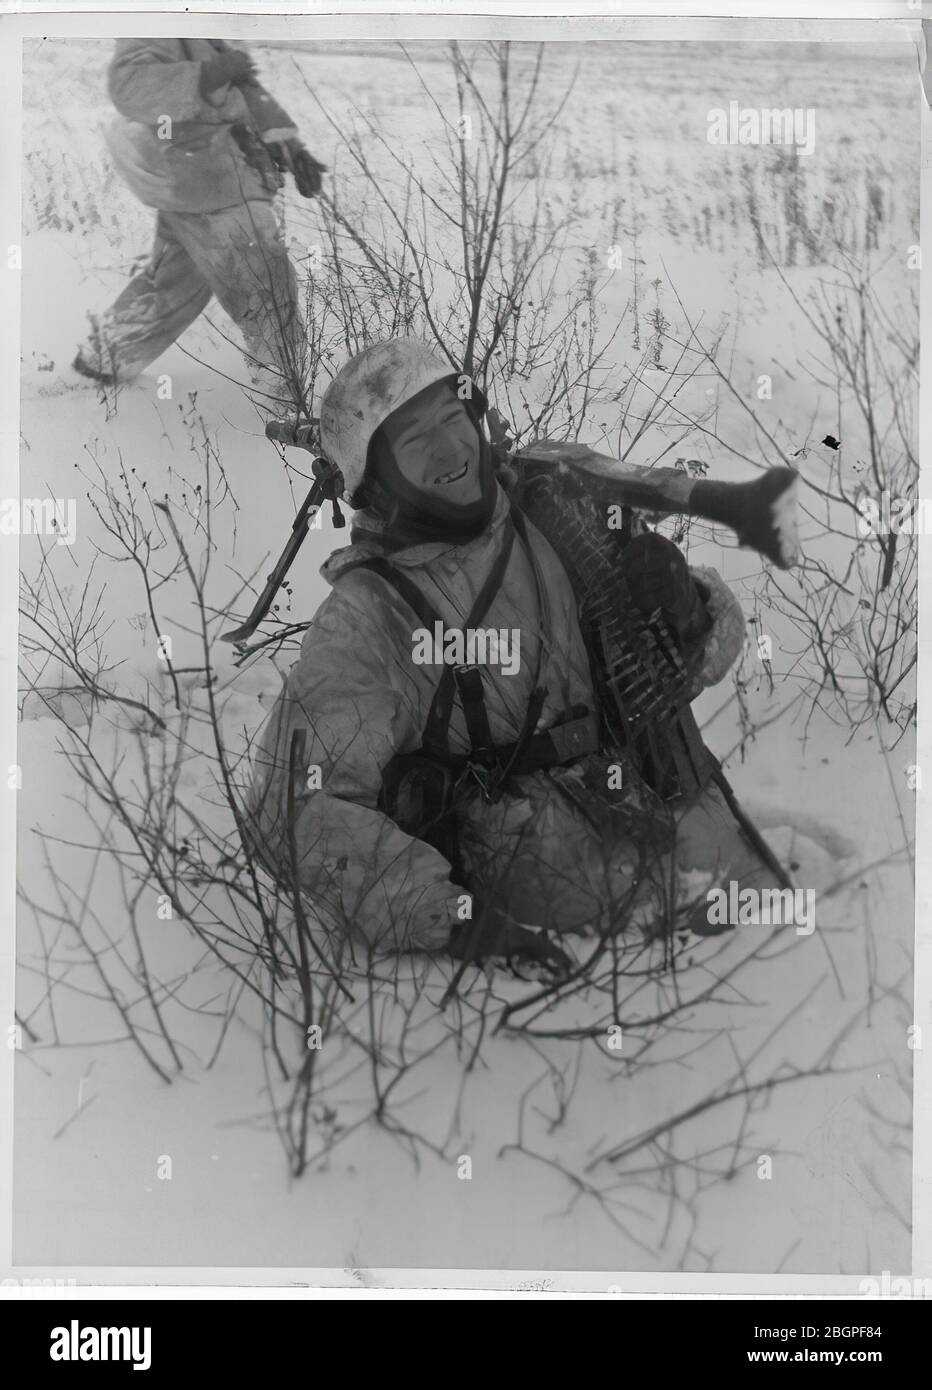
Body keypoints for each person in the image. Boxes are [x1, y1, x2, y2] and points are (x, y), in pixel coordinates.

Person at [246, 338, 779, 974]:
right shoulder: (371, 616)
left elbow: (681, 674)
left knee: (786, 960)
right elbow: (290, 805)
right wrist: (448, 918)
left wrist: (683, 609)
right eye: (416, 440)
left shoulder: (557, 512)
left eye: (454, 419)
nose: (451, 450)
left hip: (671, 803)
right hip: (563, 913)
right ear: (376, 477)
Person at [73, 38, 325, 409]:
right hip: (206, 178)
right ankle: (291, 402)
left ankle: (104, 362)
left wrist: (291, 147)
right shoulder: (160, 23)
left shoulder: (208, 32)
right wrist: (206, 75)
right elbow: (130, 86)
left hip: (210, 181)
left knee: (174, 283)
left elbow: (246, 95)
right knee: (265, 283)